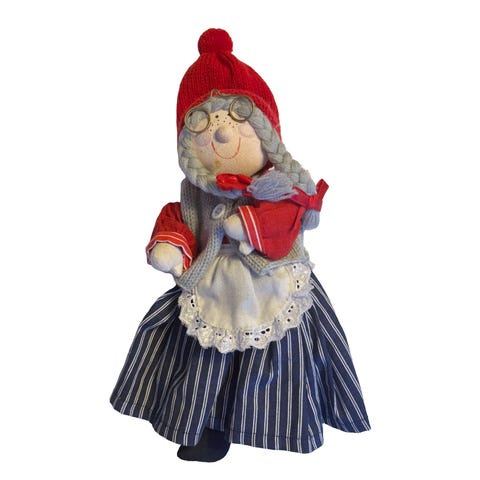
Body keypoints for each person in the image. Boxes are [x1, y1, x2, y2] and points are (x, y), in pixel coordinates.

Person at [110, 28, 370, 462]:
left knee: (287, 350)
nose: (221, 136)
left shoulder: (281, 186)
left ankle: (281, 422)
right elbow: (179, 219)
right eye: (203, 127)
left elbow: (289, 222)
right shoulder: (194, 192)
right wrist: (170, 247)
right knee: (204, 355)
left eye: (235, 121)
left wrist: (248, 225)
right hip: (211, 284)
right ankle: (208, 427)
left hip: (273, 281)